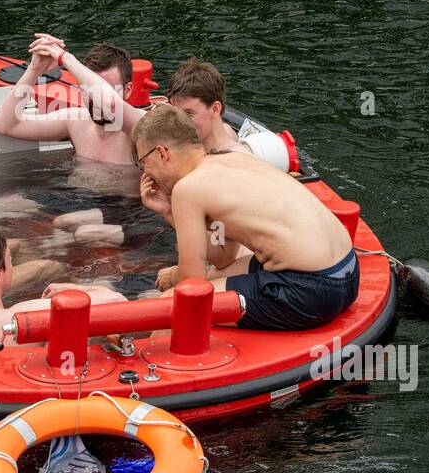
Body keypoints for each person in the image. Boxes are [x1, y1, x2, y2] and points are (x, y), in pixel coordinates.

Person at [132, 104, 358, 331]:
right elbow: (224, 257)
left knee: (169, 307)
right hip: (348, 275)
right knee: (217, 273)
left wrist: (175, 276)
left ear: (162, 153)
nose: (146, 174)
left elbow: (193, 284)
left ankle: (160, 364)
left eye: (143, 163)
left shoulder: (187, 189)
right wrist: (169, 212)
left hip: (308, 292)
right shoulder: (231, 158)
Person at [0, 35, 145, 167]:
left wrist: (65, 58)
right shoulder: (75, 122)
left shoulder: (144, 124)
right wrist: (35, 69)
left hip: (125, 201)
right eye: (90, 89)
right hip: (77, 197)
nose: (97, 101)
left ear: (128, 90)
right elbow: (5, 124)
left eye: (106, 89)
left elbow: (111, 105)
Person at [165, 58, 247, 153]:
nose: (179, 122)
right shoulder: (226, 131)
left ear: (215, 109)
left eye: (188, 113)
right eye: (176, 112)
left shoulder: (236, 159)